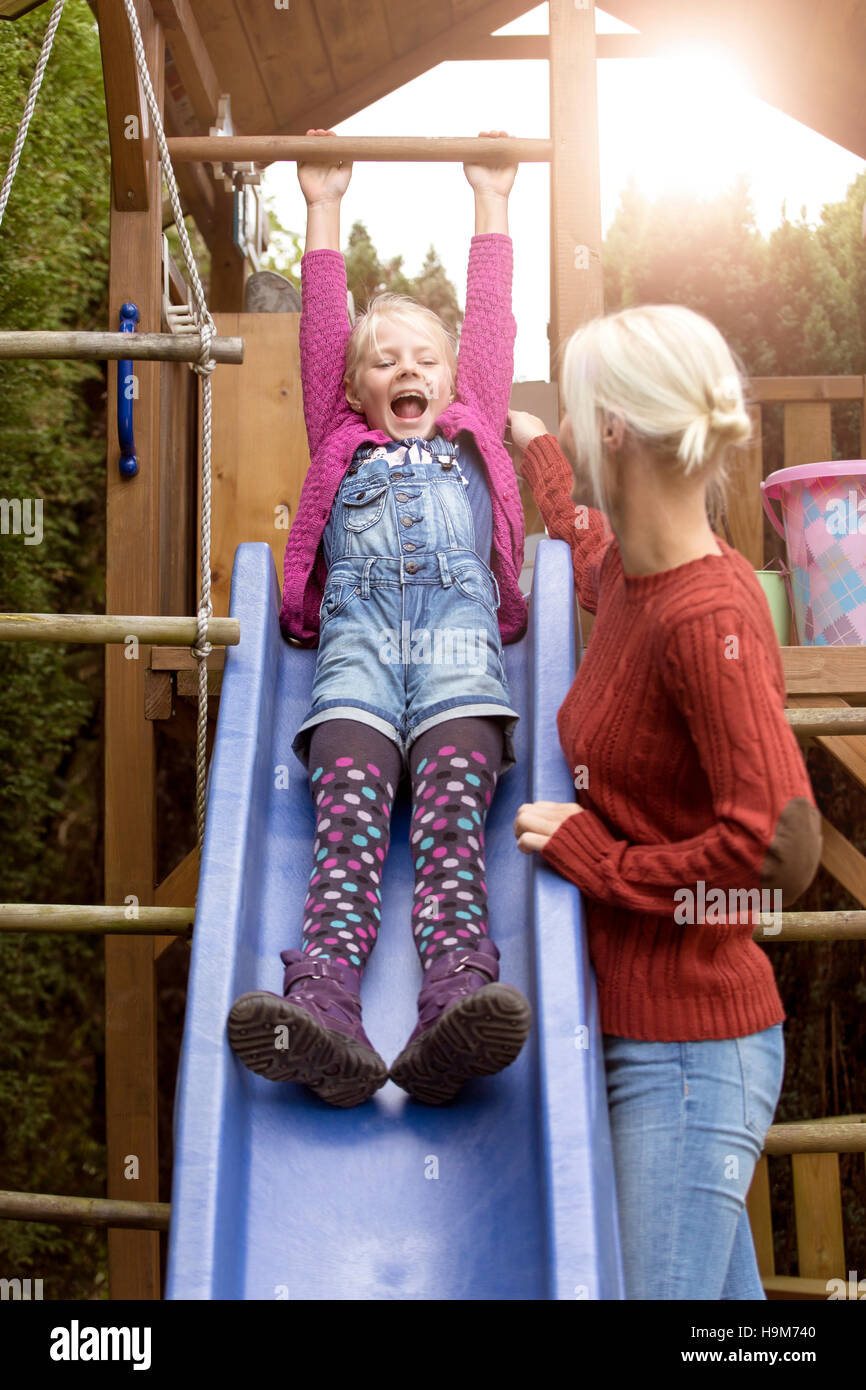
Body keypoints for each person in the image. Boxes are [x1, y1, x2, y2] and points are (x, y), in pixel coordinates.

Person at [509, 303, 822, 1300]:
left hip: (691, 1053)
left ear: (612, 427)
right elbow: (588, 542)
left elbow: (779, 843)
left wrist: (603, 864)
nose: (562, 423)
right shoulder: (637, 579)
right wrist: (533, 455)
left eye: (569, 407)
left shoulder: (705, 612)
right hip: (656, 1039)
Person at [227, 129, 531, 1108]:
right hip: (355, 658)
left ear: (450, 382)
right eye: (383, 360)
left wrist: (490, 201)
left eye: (424, 359)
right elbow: (323, 329)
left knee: (448, 836)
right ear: (355, 390)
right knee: (346, 830)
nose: (406, 369)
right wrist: (322, 204)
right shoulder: (343, 439)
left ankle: (453, 1004)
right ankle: (322, 1012)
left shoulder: (469, 426)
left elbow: (489, 322)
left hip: (455, 660)